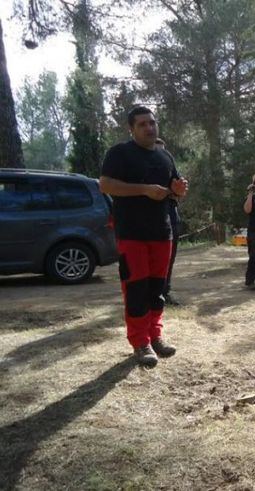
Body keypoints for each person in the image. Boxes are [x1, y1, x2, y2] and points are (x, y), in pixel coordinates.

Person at [99, 106, 188, 368]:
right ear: (131, 128)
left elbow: (174, 189)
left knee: (157, 289)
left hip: (162, 232)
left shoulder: (165, 156)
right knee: (136, 288)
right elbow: (105, 185)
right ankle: (140, 342)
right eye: (142, 124)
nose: (149, 128)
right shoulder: (119, 153)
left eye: (152, 123)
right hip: (132, 233)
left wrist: (179, 190)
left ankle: (155, 336)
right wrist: (144, 190)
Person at [154, 138, 182, 306]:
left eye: (164, 151)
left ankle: (165, 291)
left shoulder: (170, 170)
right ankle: (151, 293)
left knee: (169, 257)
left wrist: (172, 192)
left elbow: (179, 191)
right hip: (148, 219)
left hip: (171, 216)